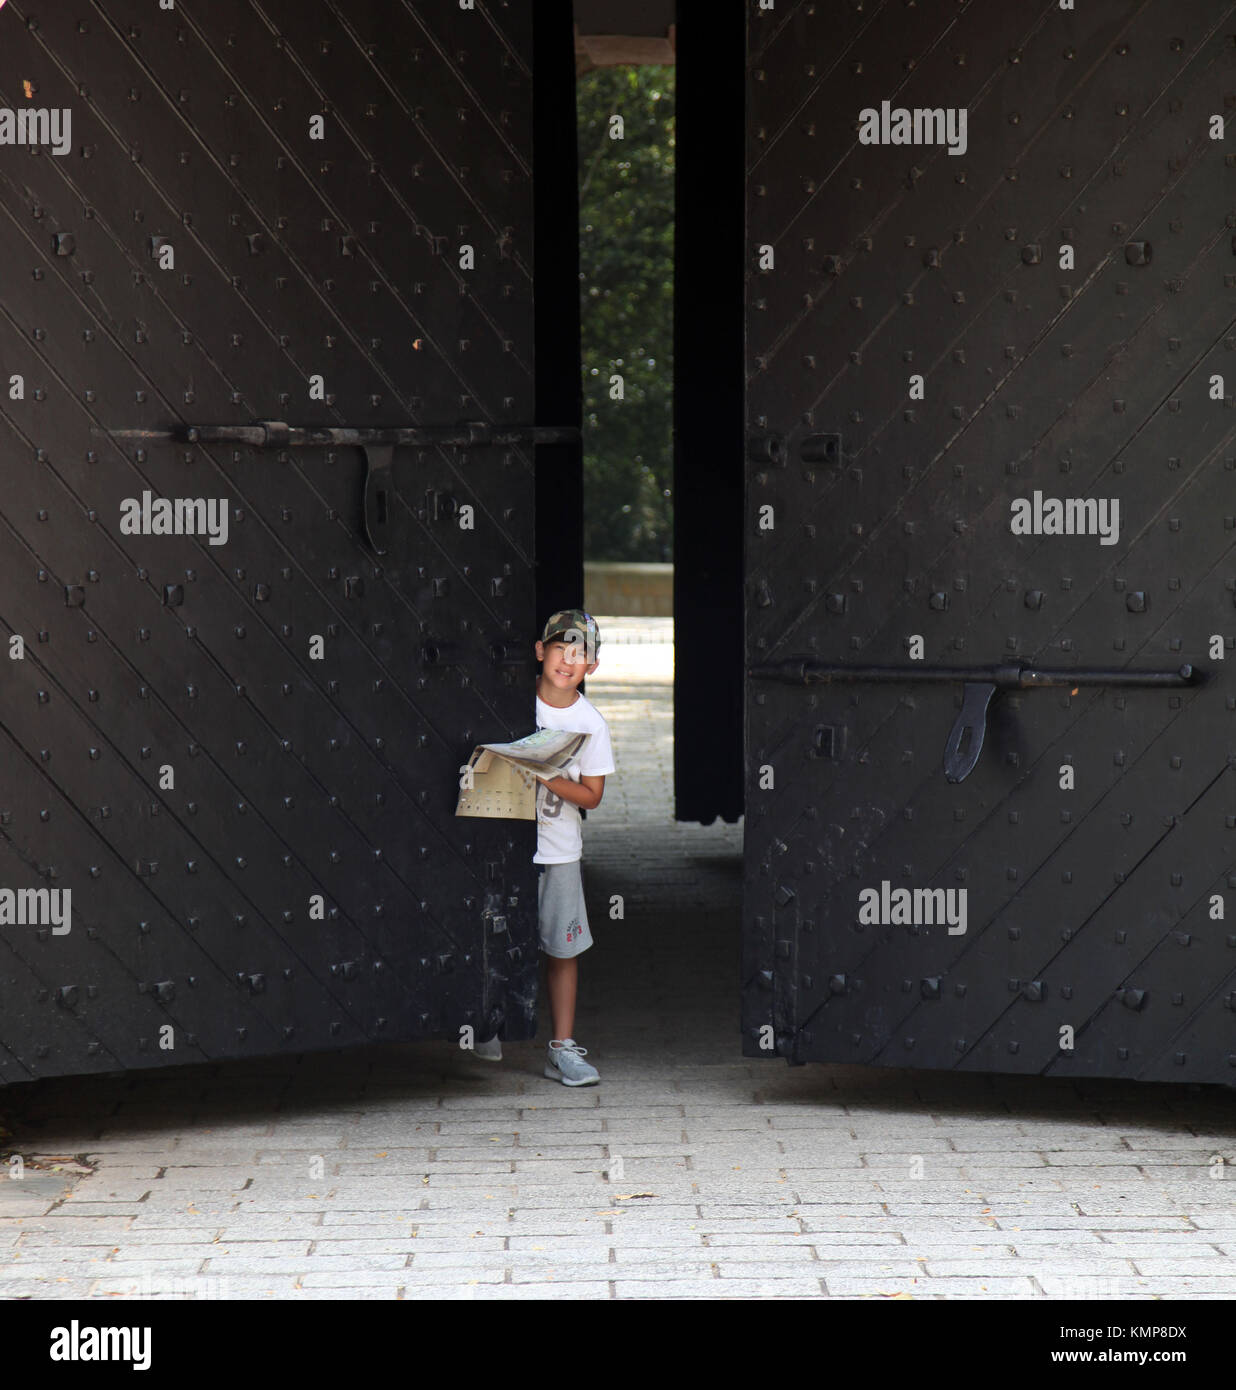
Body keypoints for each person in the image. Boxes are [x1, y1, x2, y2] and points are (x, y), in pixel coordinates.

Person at [474, 609, 615, 1085]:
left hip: (557, 851)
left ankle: (562, 1048)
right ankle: (486, 1025)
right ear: (540, 651)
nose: (568, 660)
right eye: (560, 648)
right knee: (493, 939)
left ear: (592, 666)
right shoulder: (510, 703)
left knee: (561, 949)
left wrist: (551, 778)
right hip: (505, 846)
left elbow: (593, 795)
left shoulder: (589, 723)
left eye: (581, 654)